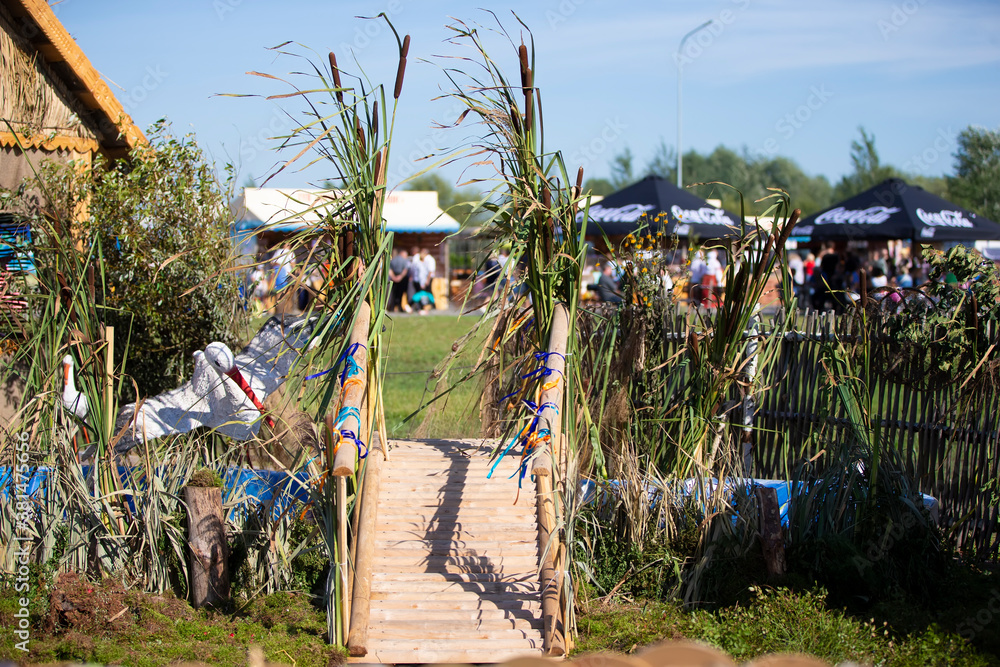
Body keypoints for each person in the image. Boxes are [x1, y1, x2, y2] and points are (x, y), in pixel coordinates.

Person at [388, 248, 411, 312]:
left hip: (394, 278)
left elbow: (390, 270)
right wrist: (400, 277)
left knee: (393, 293)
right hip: (402, 279)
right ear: (402, 254)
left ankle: (392, 308)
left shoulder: (393, 260)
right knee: (400, 294)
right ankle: (400, 307)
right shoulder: (405, 260)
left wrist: (394, 277)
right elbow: (405, 270)